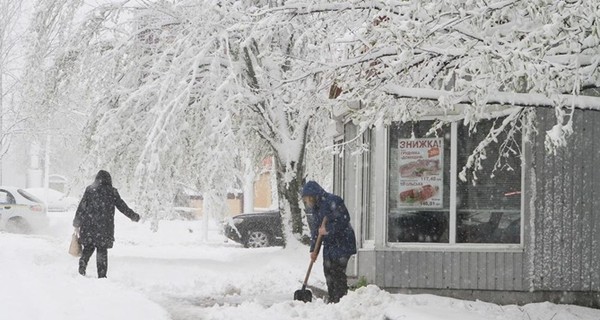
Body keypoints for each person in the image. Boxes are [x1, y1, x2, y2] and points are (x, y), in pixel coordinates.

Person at [73, 170, 141, 278]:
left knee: (88, 248)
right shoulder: (112, 192)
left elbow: (81, 207)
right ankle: (102, 275)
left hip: (88, 225)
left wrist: (76, 223)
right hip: (104, 228)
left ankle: (82, 265)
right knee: (102, 251)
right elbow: (122, 206)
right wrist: (133, 216)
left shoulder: (90, 190)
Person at [302, 180, 357, 303]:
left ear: (313, 195)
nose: (307, 202)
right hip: (330, 244)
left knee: (337, 272)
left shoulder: (334, 201)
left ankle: (341, 300)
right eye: (305, 200)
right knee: (328, 271)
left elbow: (344, 219)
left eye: (307, 199)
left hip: (343, 242)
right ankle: (333, 299)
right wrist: (313, 250)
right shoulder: (316, 209)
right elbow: (316, 231)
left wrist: (328, 229)